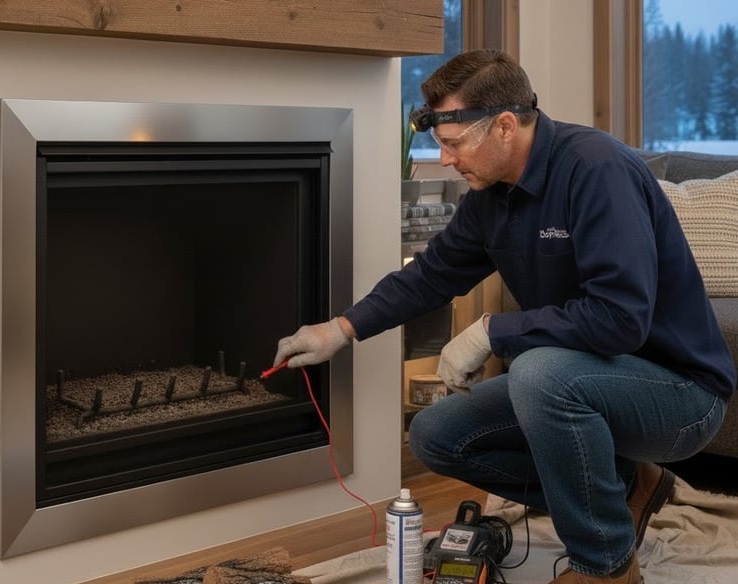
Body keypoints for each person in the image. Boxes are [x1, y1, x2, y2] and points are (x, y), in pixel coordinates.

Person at [271, 49, 736, 584]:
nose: (445, 160)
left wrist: (493, 330)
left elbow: (620, 320)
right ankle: (628, 486)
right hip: (588, 378)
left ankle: (606, 566)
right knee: (435, 435)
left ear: (506, 127)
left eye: (451, 144)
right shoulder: (490, 195)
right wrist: (341, 329)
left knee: (538, 373)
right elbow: (431, 275)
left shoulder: (597, 170)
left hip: (679, 393)